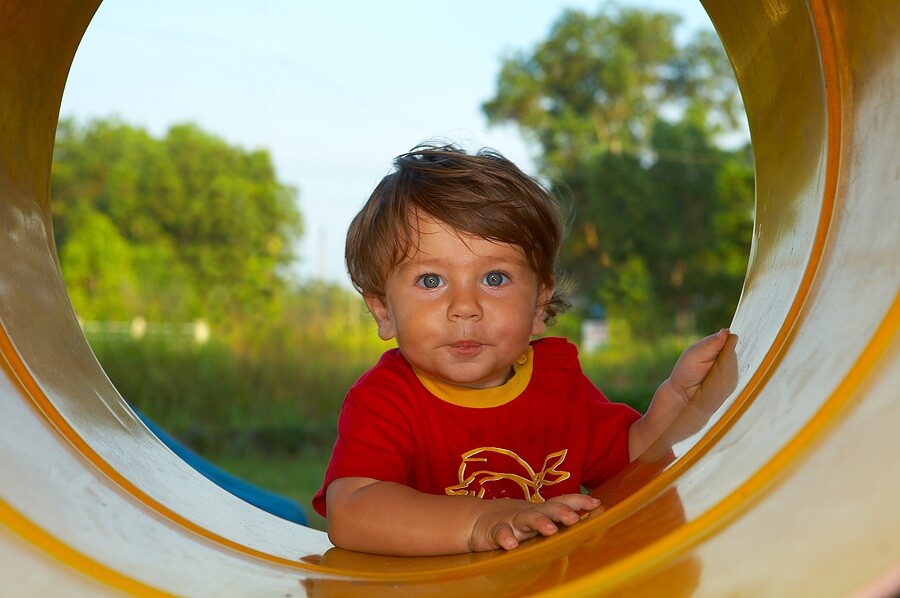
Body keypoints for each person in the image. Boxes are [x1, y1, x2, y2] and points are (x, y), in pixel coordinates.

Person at [312, 142, 731, 556]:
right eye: (430, 281)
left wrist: (678, 398)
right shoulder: (386, 400)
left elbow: (631, 462)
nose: (465, 308)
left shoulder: (556, 380)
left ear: (539, 304)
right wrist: (480, 521)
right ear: (384, 310)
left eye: (494, 278)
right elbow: (351, 511)